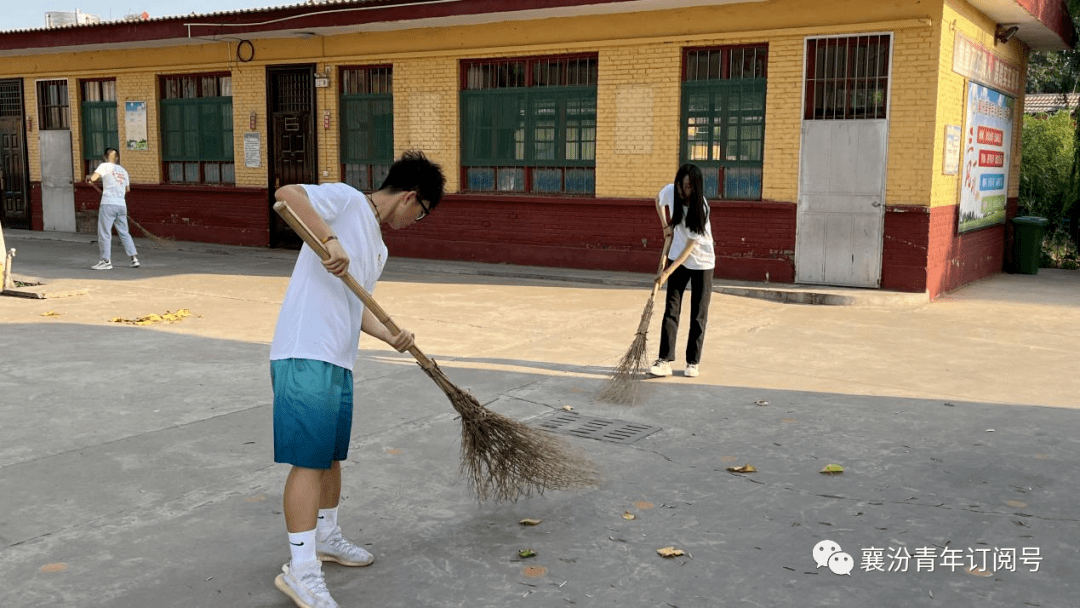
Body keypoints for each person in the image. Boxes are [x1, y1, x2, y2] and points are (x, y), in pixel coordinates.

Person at [269, 150, 446, 608]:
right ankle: (301, 569)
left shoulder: (380, 248)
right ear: (410, 197)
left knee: (329, 457)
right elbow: (286, 195)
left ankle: (325, 538)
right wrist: (330, 240)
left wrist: (393, 335)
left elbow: (359, 306)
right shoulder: (347, 201)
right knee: (308, 460)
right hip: (305, 349)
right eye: (422, 214)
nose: (416, 221)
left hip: (339, 359)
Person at [649, 163, 716, 378]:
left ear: (695, 188)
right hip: (676, 253)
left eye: (687, 187)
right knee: (671, 309)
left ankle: (692, 362)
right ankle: (664, 360)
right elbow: (658, 201)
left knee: (698, 314)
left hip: (702, 262)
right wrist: (665, 227)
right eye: (680, 184)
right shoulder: (671, 191)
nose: (682, 190)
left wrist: (667, 272)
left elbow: (690, 247)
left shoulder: (701, 207)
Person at [86, 148, 139, 270]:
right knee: (124, 232)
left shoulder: (104, 166)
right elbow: (127, 189)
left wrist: (90, 178)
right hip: (121, 205)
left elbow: (94, 178)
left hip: (108, 204)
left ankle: (106, 261)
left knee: (104, 233)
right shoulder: (123, 171)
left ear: (105, 157)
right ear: (117, 158)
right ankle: (134, 259)